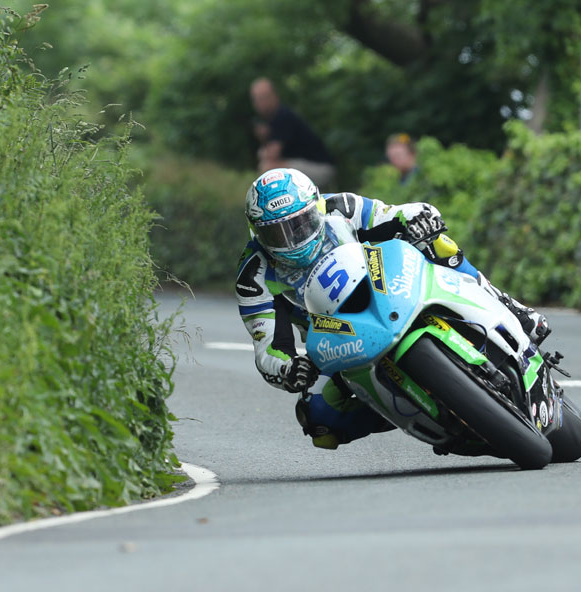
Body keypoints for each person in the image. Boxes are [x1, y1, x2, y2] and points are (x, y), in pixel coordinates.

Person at [235, 168, 550, 450]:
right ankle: (418, 415)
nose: (292, 242)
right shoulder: (254, 276)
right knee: (317, 421)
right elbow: (267, 350)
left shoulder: (342, 208)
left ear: (317, 208)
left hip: (389, 283)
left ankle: (511, 307)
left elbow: (397, 214)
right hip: (339, 338)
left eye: (300, 225)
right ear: (257, 234)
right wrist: (289, 370)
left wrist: (421, 220)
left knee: (437, 242)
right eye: (277, 234)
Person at [250, 77, 336, 189]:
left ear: (275, 96)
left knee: (268, 168)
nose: (260, 102)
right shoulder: (273, 119)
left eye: (264, 97)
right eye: (257, 99)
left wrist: (263, 141)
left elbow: (271, 156)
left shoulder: (282, 117)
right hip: (311, 167)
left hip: (321, 169)